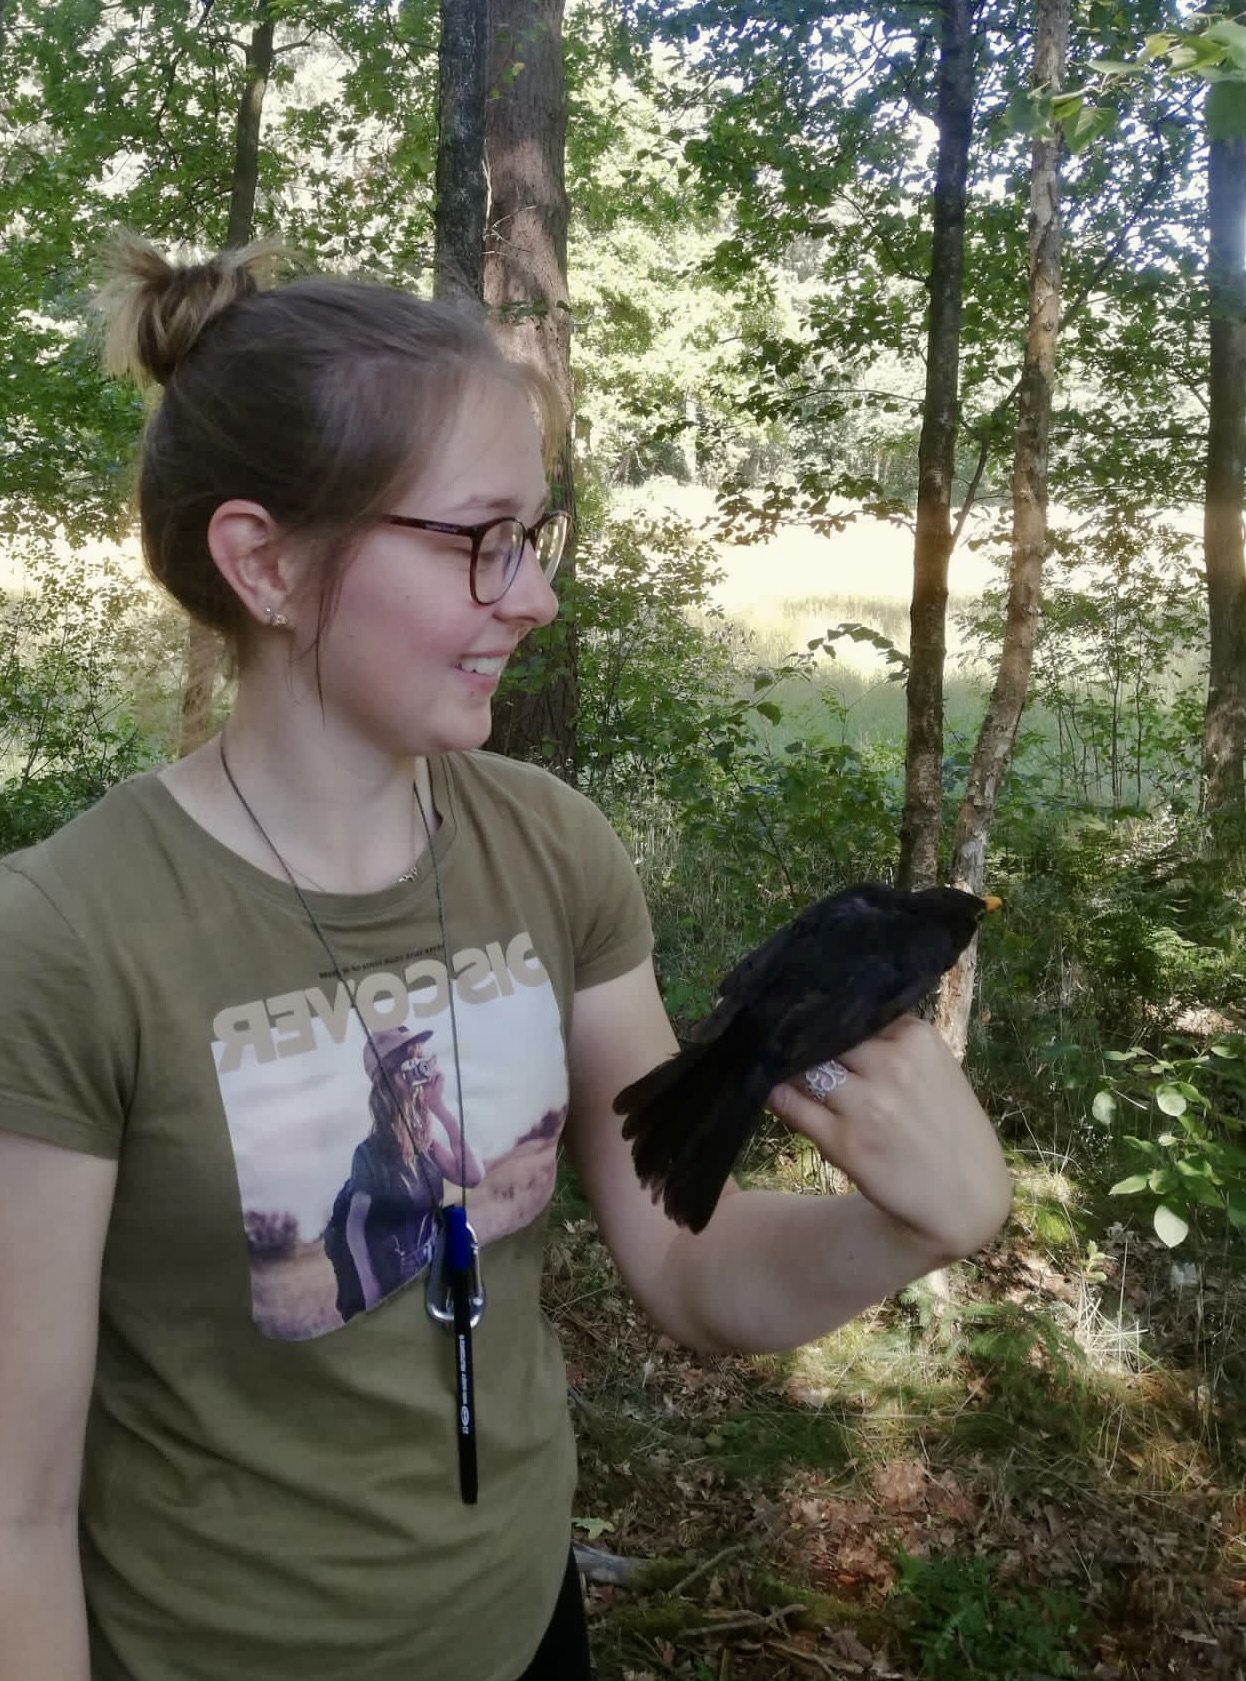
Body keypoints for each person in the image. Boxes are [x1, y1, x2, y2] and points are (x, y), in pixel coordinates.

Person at [0, 236, 1012, 1681]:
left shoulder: (550, 851)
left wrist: (912, 1224)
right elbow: (14, 1513)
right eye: (478, 540)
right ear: (264, 560)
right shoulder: (63, 941)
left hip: (523, 1627)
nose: (531, 598)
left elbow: (685, 1255)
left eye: (530, 538)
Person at [327, 1025, 483, 1321]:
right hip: (393, 1283)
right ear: (386, 1078)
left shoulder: (423, 1143)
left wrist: (439, 1107)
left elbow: (472, 1176)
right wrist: (373, 1298)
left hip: (432, 1274)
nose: (415, 1070)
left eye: (418, 1060)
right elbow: (355, 1230)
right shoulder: (370, 1154)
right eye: (406, 1064)